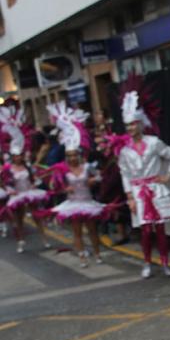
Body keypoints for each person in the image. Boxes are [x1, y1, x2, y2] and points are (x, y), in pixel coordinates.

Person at [117, 88, 170, 278]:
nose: (130, 128)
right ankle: (146, 263)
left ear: (141, 124)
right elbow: (125, 173)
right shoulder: (125, 151)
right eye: (127, 125)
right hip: (138, 193)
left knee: (160, 229)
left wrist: (168, 175)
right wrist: (129, 197)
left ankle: (165, 263)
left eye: (134, 124)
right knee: (145, 231)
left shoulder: (153, 142)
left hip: (155, 190)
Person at [48, 104, 105, 267]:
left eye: (74, 155)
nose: (71, 158)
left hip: (88, 202)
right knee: (77, 232)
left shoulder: (87, 167)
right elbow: (54, 185)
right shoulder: (62, 170)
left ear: (79, 155)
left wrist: (94, 180)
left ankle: (98, 254)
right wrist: (64, 188)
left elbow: (100, 175)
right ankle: (82, 256)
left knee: (93, 230)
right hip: (73, 204)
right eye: (68, 156)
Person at [0, 106, 50, 253]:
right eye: (16, 156)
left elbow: (35, 178)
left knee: (37, 216)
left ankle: (44, 239)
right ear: (12, 156)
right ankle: (21, 241)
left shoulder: (27, 166)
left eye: (20, 155)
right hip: (17, 195)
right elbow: (2, 183)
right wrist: (9, 190)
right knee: (18, 220)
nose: (18, 157)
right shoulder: (8, 170)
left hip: (29, 192)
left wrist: (35, 183)